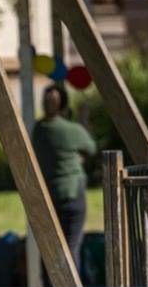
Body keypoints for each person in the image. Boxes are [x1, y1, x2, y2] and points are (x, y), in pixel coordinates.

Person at [30, 83, 97, 268]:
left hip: (49, 195)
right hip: (72, 192)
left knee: (50, 246)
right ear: (64, 106)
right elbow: (91, 147)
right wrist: (83, 121)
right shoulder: (72, 130)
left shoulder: (39, 130)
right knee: (71, 245)